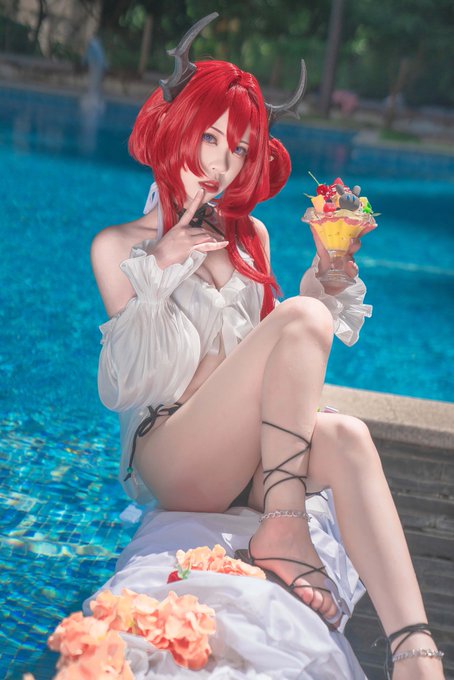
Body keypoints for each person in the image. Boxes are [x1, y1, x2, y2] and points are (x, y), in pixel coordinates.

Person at [90, 14, 444, 680]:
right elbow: (135, 380)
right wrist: (160, 264)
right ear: (176, 128)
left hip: (243, 459)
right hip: (171, 459)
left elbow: (275, 355)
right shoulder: (119, 247)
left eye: (240, 149)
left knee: (348, 435)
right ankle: (283, 526)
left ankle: (415, 652)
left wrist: (326, 277)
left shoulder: (251, 236)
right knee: (302, 319)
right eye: (209, 137)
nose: (221, 164)